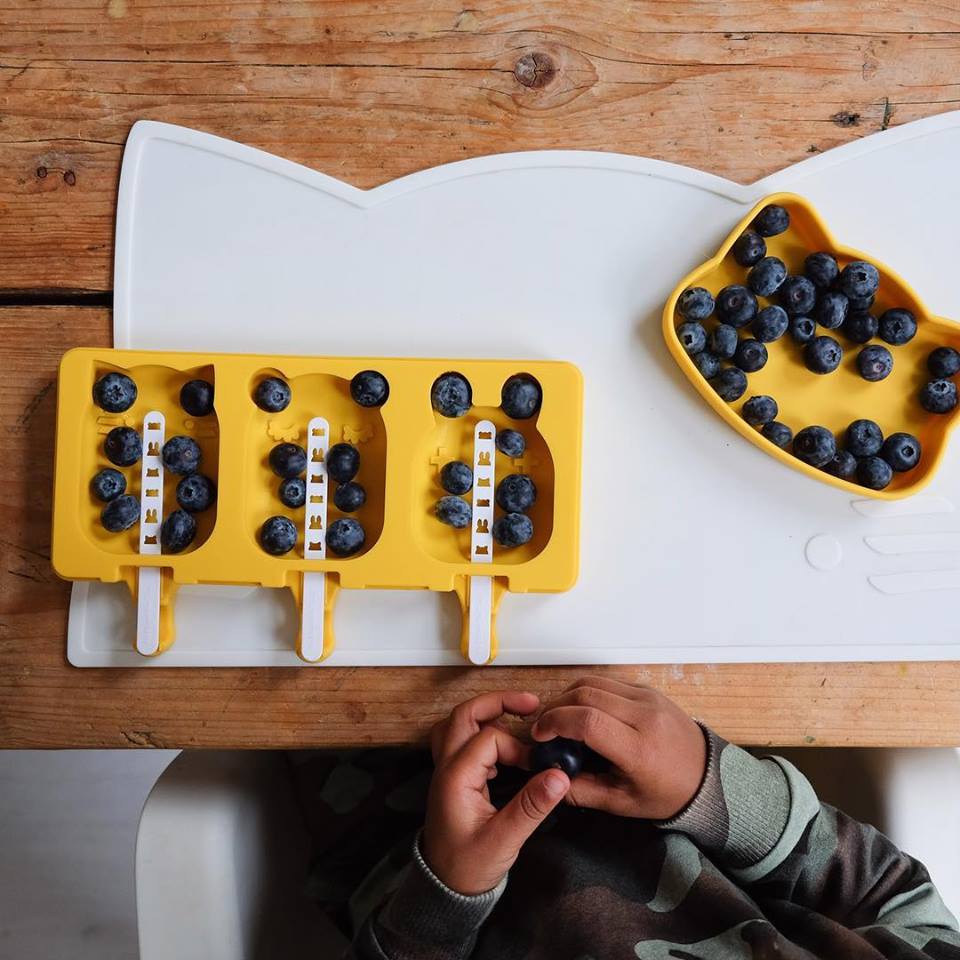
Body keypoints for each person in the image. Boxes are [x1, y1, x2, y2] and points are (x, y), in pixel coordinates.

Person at [344, 677, 960, 959]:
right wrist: (712, 789)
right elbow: (899, 902)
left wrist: (445, 892)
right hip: (657, 774)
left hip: (394, 856)